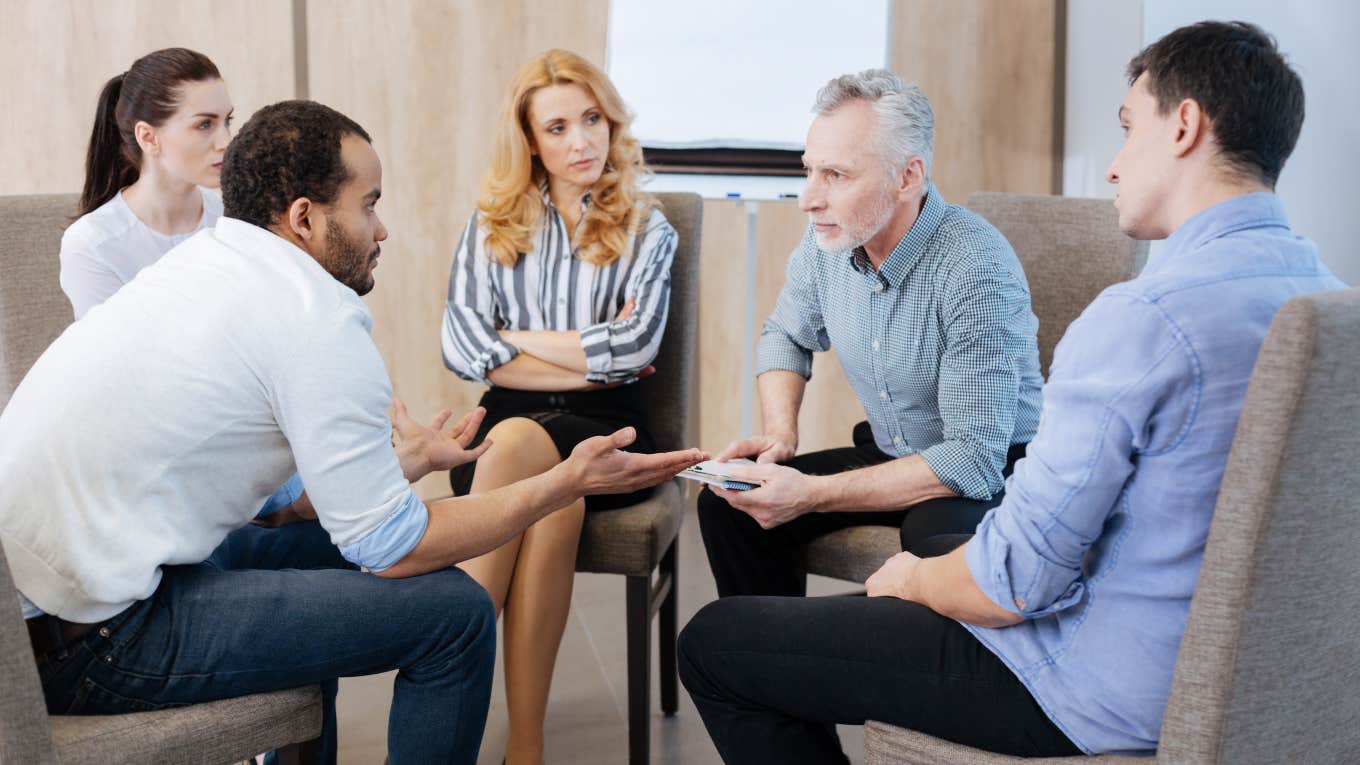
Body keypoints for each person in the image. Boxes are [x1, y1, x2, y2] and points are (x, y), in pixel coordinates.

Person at [678, 20, 1346, 762]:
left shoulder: (1142, 320)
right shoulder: (1328, 304)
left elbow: (1012, 581)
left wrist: (915, 580)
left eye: (1129, 130)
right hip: (1235, 675)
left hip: (1082, 678)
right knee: (747, 528)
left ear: (1184, 125)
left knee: (714, 643)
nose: (1116, 166)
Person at [0, 99, 704, 765]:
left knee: (320, 557)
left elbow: (278, 503)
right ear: (305, 217)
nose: (382, 229)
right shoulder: (315, 319)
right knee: (455, 613)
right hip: (89, 643)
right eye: (369, 204)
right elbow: (390, 548)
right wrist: (563, 483)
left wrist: (398, 464)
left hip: (40, 610)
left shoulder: (201, 267)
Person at [697, 70, 1044, 598]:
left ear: (908, 178)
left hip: (992, 469)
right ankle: (773, 674)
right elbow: (784, 335)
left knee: (935, 541)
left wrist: (810, 494)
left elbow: (973, 458)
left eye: (835, 175)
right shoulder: (827, 243)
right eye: (809, 170)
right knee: (731, 506)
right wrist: (780, 434)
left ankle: (879, 671)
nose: (808, 199)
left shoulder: (975, 268)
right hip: (894, 450)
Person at [439, 48, 678, 765]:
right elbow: (459, 344)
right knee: (549, 492)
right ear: (531, 141)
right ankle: (527, 747)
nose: (581, 142)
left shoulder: (647, 227)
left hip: (611, 426)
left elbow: (636, 351)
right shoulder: (492, 222)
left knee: (516, 443)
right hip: (509, 423)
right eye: (558, 127)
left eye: (592, 119)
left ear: (610, 122)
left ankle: (445, 690)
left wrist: (510, 339)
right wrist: (588, 355)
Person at [61, 47, 231, 320]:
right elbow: (113, 356)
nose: (226, 142)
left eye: (227, 121)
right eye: (204, 125)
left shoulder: (234, 220)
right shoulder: (94, 244)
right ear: (149, 138)